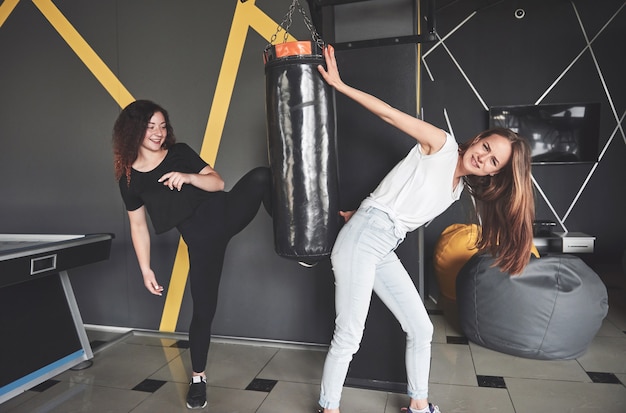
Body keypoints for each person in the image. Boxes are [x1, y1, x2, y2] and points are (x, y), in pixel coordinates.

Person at [315, 45, 535, 413]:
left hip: (382, 243)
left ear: (494, 172)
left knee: (422, 328)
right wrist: (339, 85)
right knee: (350, 333)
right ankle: (328, 407)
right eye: (485, 145)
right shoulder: (442, 144)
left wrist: (368, 210)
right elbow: (388, 115)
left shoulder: (457, 190)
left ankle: (418, 406)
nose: (481, 156)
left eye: (492, 160)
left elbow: (404, 200)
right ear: (479, 139)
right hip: (367, 236)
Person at [112, 100, 271, 409]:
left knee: (263, 176)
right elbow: (138, 226)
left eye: (162, 126)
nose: (159, 133)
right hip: (203, 244)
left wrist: (188, 177)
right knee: (203, 312)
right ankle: (198, 379)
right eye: (150, 126)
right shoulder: (129, 180)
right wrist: (145, 269)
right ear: (133, 130)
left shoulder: (179, 153)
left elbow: (219, 182)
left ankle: (298, 243)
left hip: (227, 211)